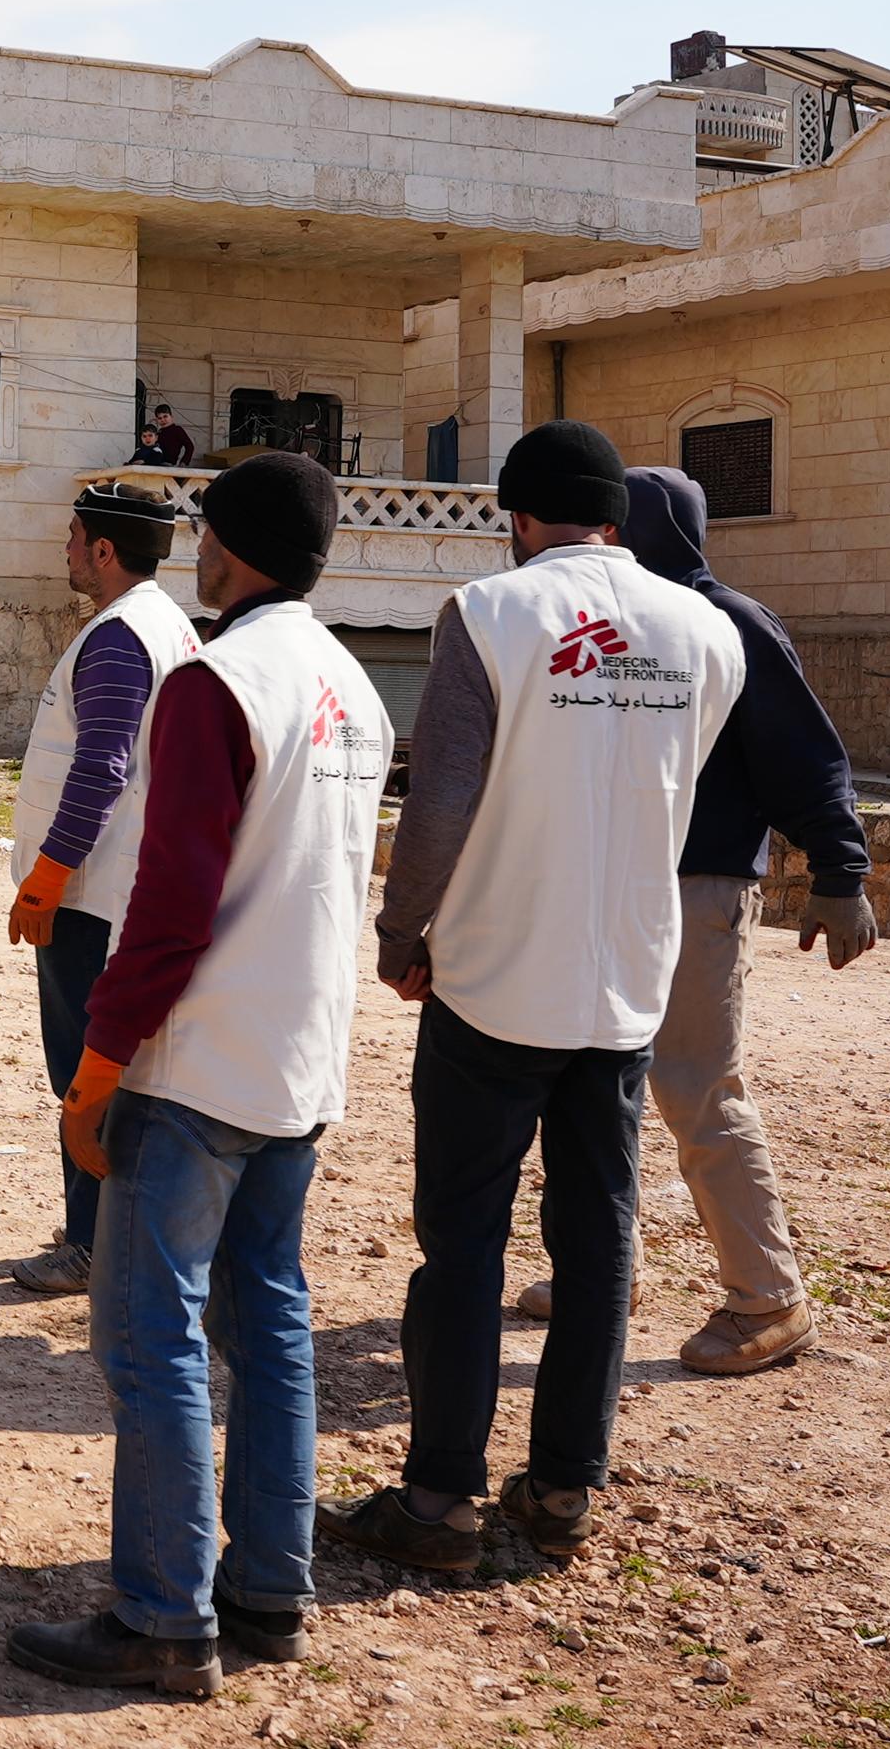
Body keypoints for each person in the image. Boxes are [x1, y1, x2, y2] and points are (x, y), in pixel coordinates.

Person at [325, 421, 742, 1572]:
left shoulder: (493, 613)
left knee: (463, 1241)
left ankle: (441, 1498)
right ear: (616, 515)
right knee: (598, 1235)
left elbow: (443, 802)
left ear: (517, 513)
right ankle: (565, 1485)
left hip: (497, 977)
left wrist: (403, 929)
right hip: (624, 981)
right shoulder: (706, 631)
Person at [6, 451, 390, 1698]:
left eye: (210, 528)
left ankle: (164, 1613)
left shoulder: (218, 681)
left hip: (199, 1059)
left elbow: (170, 907)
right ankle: (271, 1588)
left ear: (238, 546)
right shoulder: (351, 683)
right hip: (299, 1058)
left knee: (148, 1331)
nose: (198, 545)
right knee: (270, 1318)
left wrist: (99, 1062)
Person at [502, 465, 867, 1377]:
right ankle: (601, 1267)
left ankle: (770, 1298)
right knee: (592, 1072)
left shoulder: (728, 623)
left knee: (697, 1086)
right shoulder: (633, 623)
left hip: (696, 889)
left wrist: (841, 870)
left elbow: (807, 757)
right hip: (610, 884)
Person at [1, 482, 203, 1294]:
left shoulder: (120, 637)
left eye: (75, 535)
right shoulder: (167, 623)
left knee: (83, 1070)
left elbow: (100, 773)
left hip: (92, 897)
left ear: (106, 551)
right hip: (123, 887)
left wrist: (46, 880)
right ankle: (111, 1230)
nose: (67, 549)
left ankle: (90, 1241)